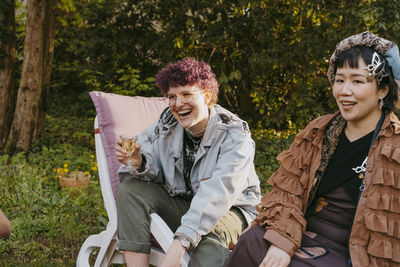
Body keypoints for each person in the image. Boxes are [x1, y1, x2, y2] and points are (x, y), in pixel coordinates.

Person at [224, 31, 400, 267]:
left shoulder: (395, 147)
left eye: (357, 81)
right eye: (339, 80)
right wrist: (282, 241)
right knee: (251, 243)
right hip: (300, 230)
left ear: (383, 90)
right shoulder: (318, 132)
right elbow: (288, 192)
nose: (344, 91)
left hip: (350, 251)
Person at [115, 58, 261, 267]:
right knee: (130, 190)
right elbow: (150, 164)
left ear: (207, 96)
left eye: (186, 94)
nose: (177, 104)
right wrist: (139, 162)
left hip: (230, 209)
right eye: (172, 96)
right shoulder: (166, 123)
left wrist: (180, 242)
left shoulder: (235, 136)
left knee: (210, 238)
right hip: (186, 204)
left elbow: (218, 194)